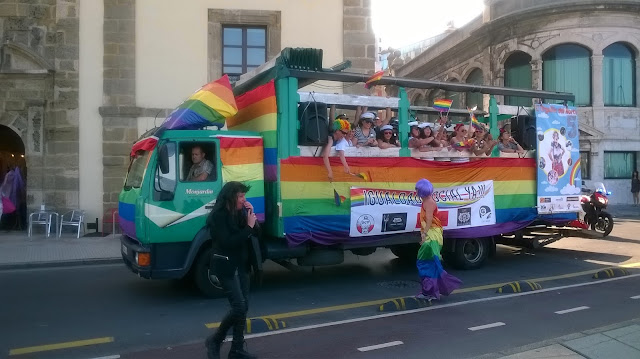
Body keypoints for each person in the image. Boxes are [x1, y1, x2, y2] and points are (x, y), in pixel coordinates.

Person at [205, 181, 259, 359]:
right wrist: (249, 227)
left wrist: (251, 217)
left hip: (242, 264)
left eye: (244, 196)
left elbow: (255, 234)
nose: (244, 200)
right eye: (241, 196)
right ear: (230, 197)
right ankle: (215, 340)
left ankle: (236, 349)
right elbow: (228, 241)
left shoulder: (240, 212)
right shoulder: (219, 216)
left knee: (244, 307)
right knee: (239, 306)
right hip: (226, 265)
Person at [414, 179, 462, 301]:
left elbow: (429, 220)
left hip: (433, 237)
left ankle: (430, 292)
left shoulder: (429, 202)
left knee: (427, 263)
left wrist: (425, 234)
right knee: (427, 263)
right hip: (432, 236)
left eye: (417, 189)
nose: (416, 192)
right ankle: (430, 291)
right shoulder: (426, 201)